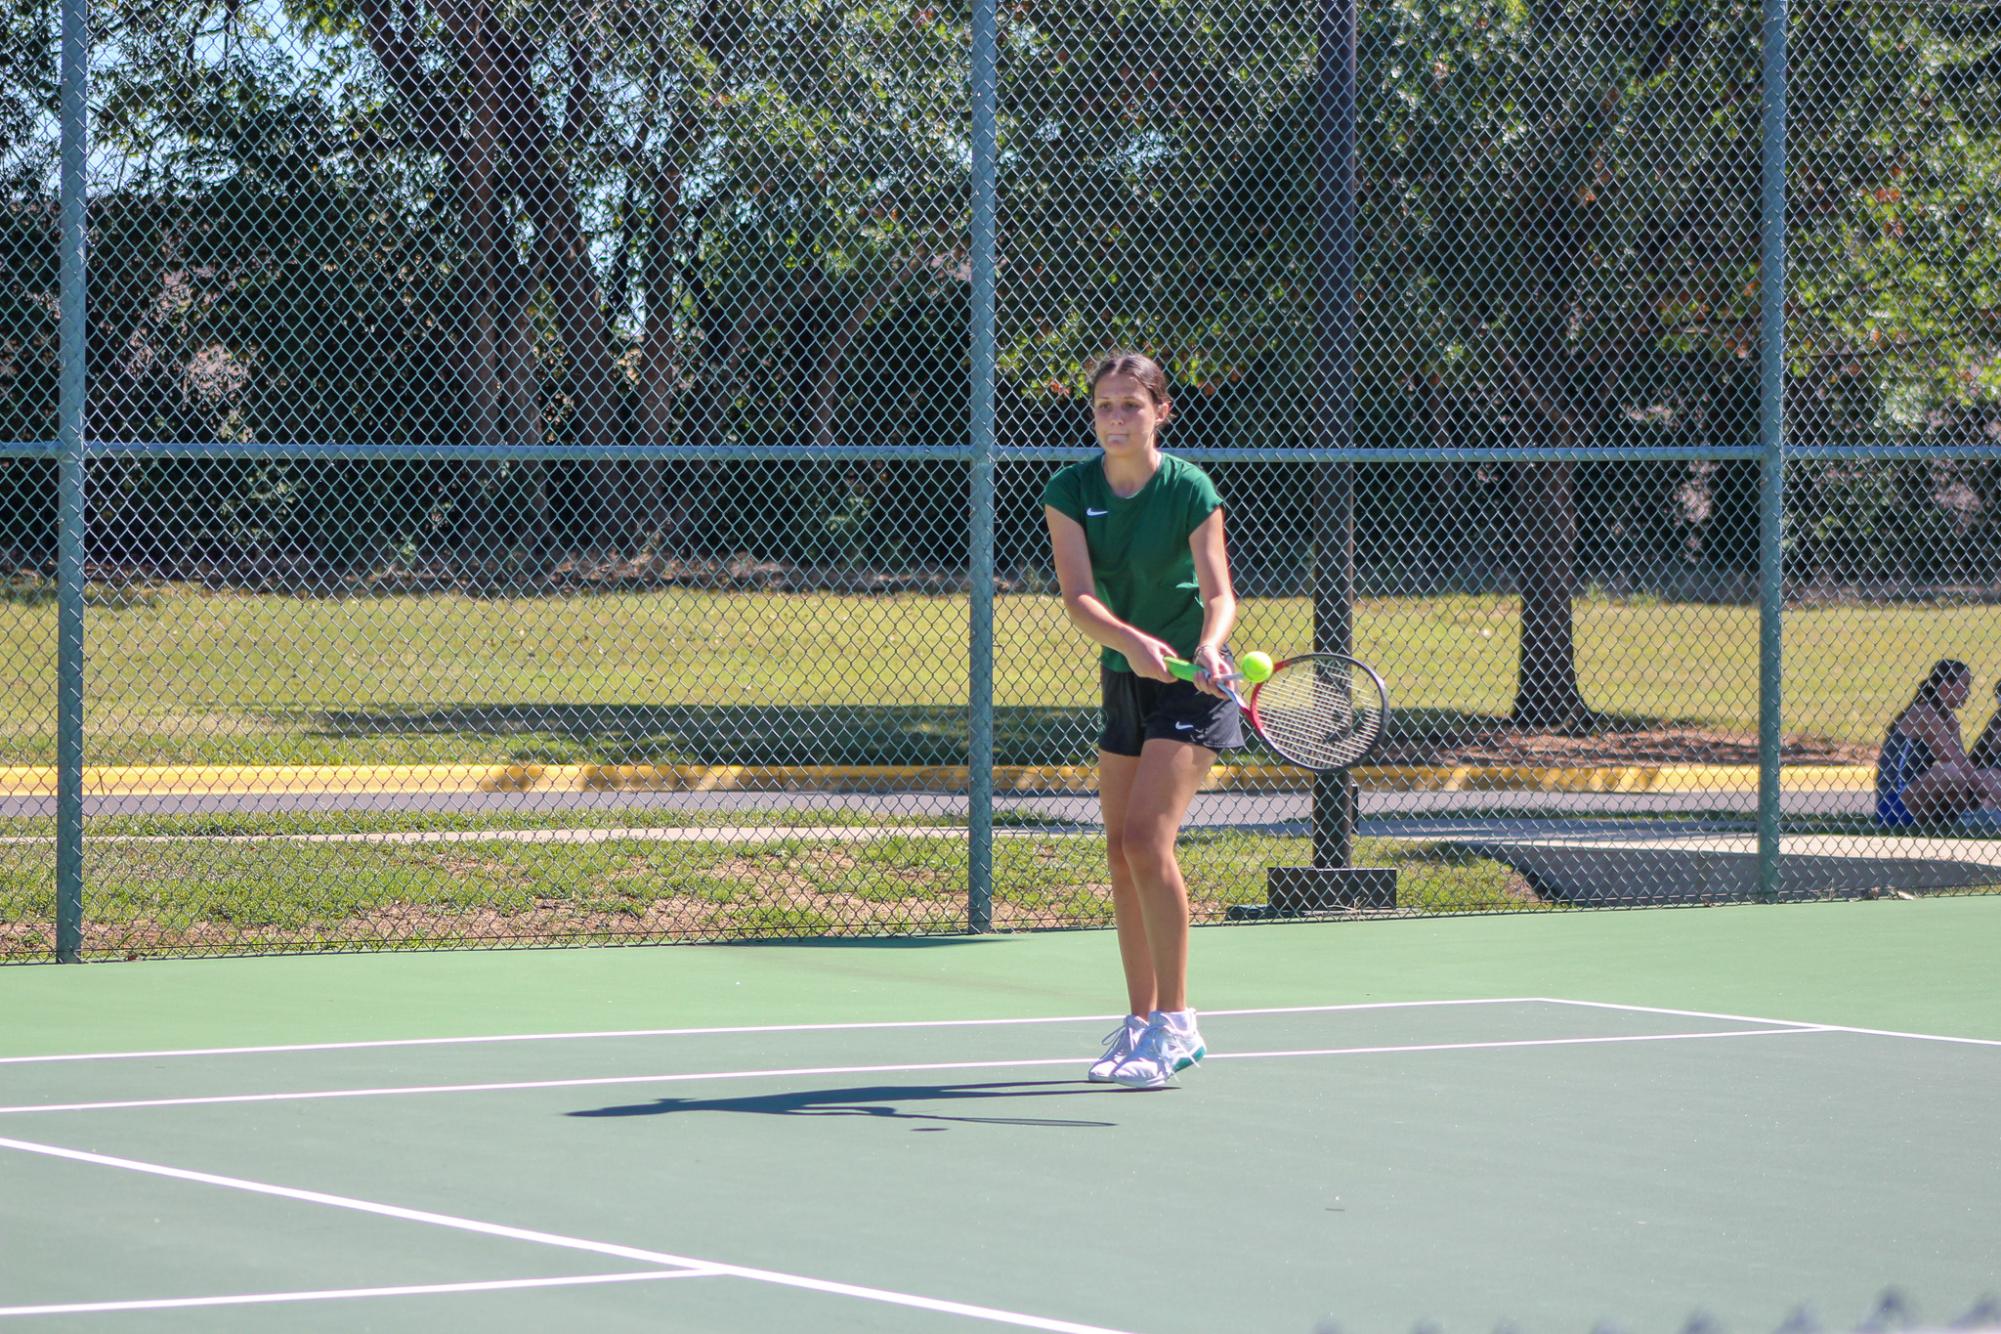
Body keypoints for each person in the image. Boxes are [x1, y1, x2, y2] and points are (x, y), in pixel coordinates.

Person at [1040, 349, 1242, 1090]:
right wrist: (1129, 642)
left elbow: (1219, 592)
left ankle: (1179, 1024)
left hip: (1196, 687)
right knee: (1119, 856)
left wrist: (1208, 646)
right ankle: (1140, 1022)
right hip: (1127, 675)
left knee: (1144, 840)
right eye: (1103, 406)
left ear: (1162, 411)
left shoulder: (1189, 487)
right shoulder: (1070, 488)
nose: (1115, 418)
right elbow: (1079, 597)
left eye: (1131, 404)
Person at [1875, 659, 2001, 827]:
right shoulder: (1926, 714)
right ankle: (1967, 820)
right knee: (1950, 772)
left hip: (1919, 801)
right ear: (1945, 686)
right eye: (1964, 685)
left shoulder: (1943, 717)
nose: (1968, 692)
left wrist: (1954, 732)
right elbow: (1958, 764)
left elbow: (1963, 765)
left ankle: (1971, 817)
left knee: (1992, 774)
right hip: (1894, 804)